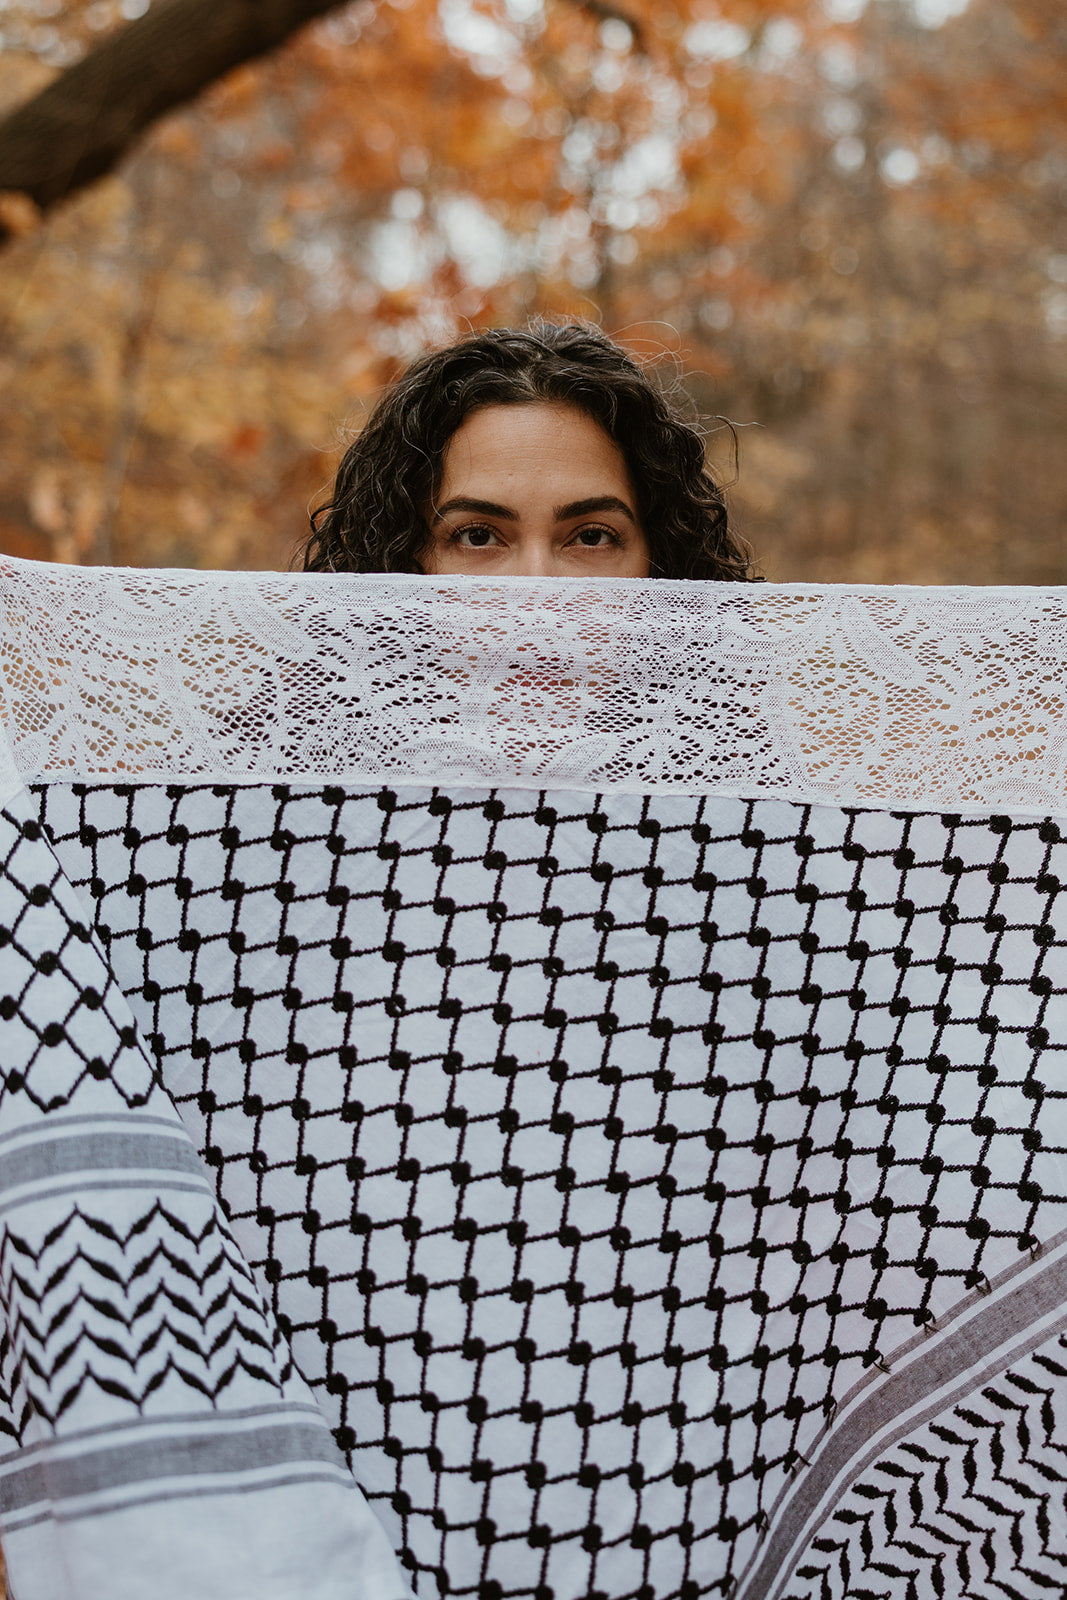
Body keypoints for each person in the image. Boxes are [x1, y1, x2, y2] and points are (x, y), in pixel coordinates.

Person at [300, 321, 758, 581]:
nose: (536, 592)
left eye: (592, 537)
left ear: (659, 562)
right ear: (402, 562)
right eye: (477, 536)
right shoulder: (288, 749)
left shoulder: (751, 750)